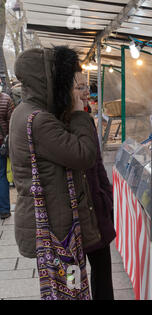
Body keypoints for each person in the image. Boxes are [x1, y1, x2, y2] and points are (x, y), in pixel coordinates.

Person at [9, 47, 101, 265]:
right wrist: (79, 113)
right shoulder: (39, 120)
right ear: (47, 78)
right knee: (66, 289)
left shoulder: (24, 111)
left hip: (49, 219)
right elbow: (84, 155)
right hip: (55, 226)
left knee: (61, 288)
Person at [73, 71, 116, 300]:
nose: (85, 92)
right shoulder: (56, 123)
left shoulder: (86, 119)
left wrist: (106, 196)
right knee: (72, 279)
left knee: (103, 272)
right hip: (74, 216)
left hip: (96, 209)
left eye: (85, 87)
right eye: (79, 87)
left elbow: (97, 163)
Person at [0, 90, 14, 219]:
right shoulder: (5, 99)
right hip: (1, 145)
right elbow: (11, 123)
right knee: (2, 175)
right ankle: (4, 210)